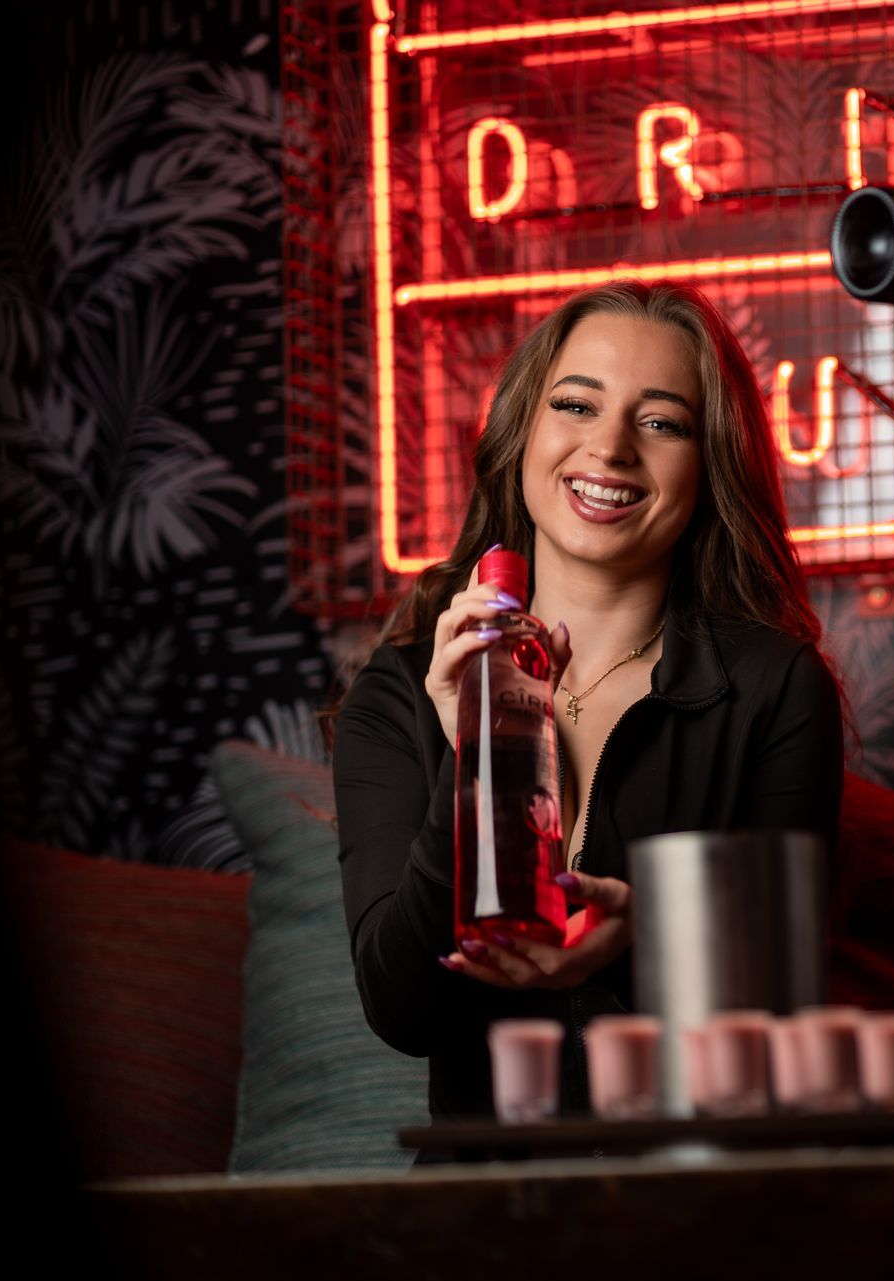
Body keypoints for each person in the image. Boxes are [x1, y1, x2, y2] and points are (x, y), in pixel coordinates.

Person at [332, 280, 844, 1124]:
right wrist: (478, 744)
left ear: (708, 466)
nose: (609, 448)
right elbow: (403, 1008)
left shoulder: (774, 685)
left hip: (700, 1203)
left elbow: (783, 1002)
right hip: (485, 1216)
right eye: (576, 404)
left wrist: (647, 931)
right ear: (520, 432)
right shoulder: (400, 694)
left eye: (662, 421)